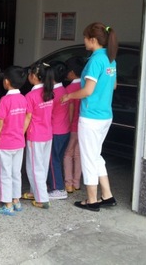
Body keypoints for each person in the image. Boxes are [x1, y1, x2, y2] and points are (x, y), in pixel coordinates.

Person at [61, 22, 118, 212]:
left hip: (91, 117)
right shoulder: (111, 59)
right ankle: (107, 195)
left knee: (88, 157)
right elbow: (114, 85)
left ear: (93, 40)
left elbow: (87, 90)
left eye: (85, 38)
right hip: (105, 115)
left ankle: (92, 200)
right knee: (95, 155)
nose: (84, 41)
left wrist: (69, 95)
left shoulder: (95, 61)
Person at [0, 66, 27, 215]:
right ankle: (16, 200)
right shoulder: (23, 99)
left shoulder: (5, 100)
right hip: (19, 142)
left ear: (6, 82)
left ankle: (7, 204)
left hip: (6, 143)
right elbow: (26, 118)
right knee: (15, 172)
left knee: (4, 174)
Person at [22, 62, 54, 209]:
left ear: (34, 76)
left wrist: (20, 132)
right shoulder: (49, 92)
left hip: (35, 135)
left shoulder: (30, 95)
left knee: (35, 167)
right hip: (48, 133)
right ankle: (35, 192)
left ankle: (42, 198)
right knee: (42, 166)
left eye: (29, 74)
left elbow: (28, 117)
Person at [47, 62, 70, 200]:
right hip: (65, 131)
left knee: (52, 160)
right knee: (57, 159)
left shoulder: (53, 94)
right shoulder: (64, 91)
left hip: (55, 131)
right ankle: (55, 185)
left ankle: (58, 188)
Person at [63, 56, 85, 194]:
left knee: (67, 154)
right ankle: (77, 183)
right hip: (83, 126)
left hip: (73, 126)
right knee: (78, 154)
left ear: (71, 72)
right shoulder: (85, 85)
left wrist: (69, 124)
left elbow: (70, 109)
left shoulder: (70, 88)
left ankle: (68, 183)